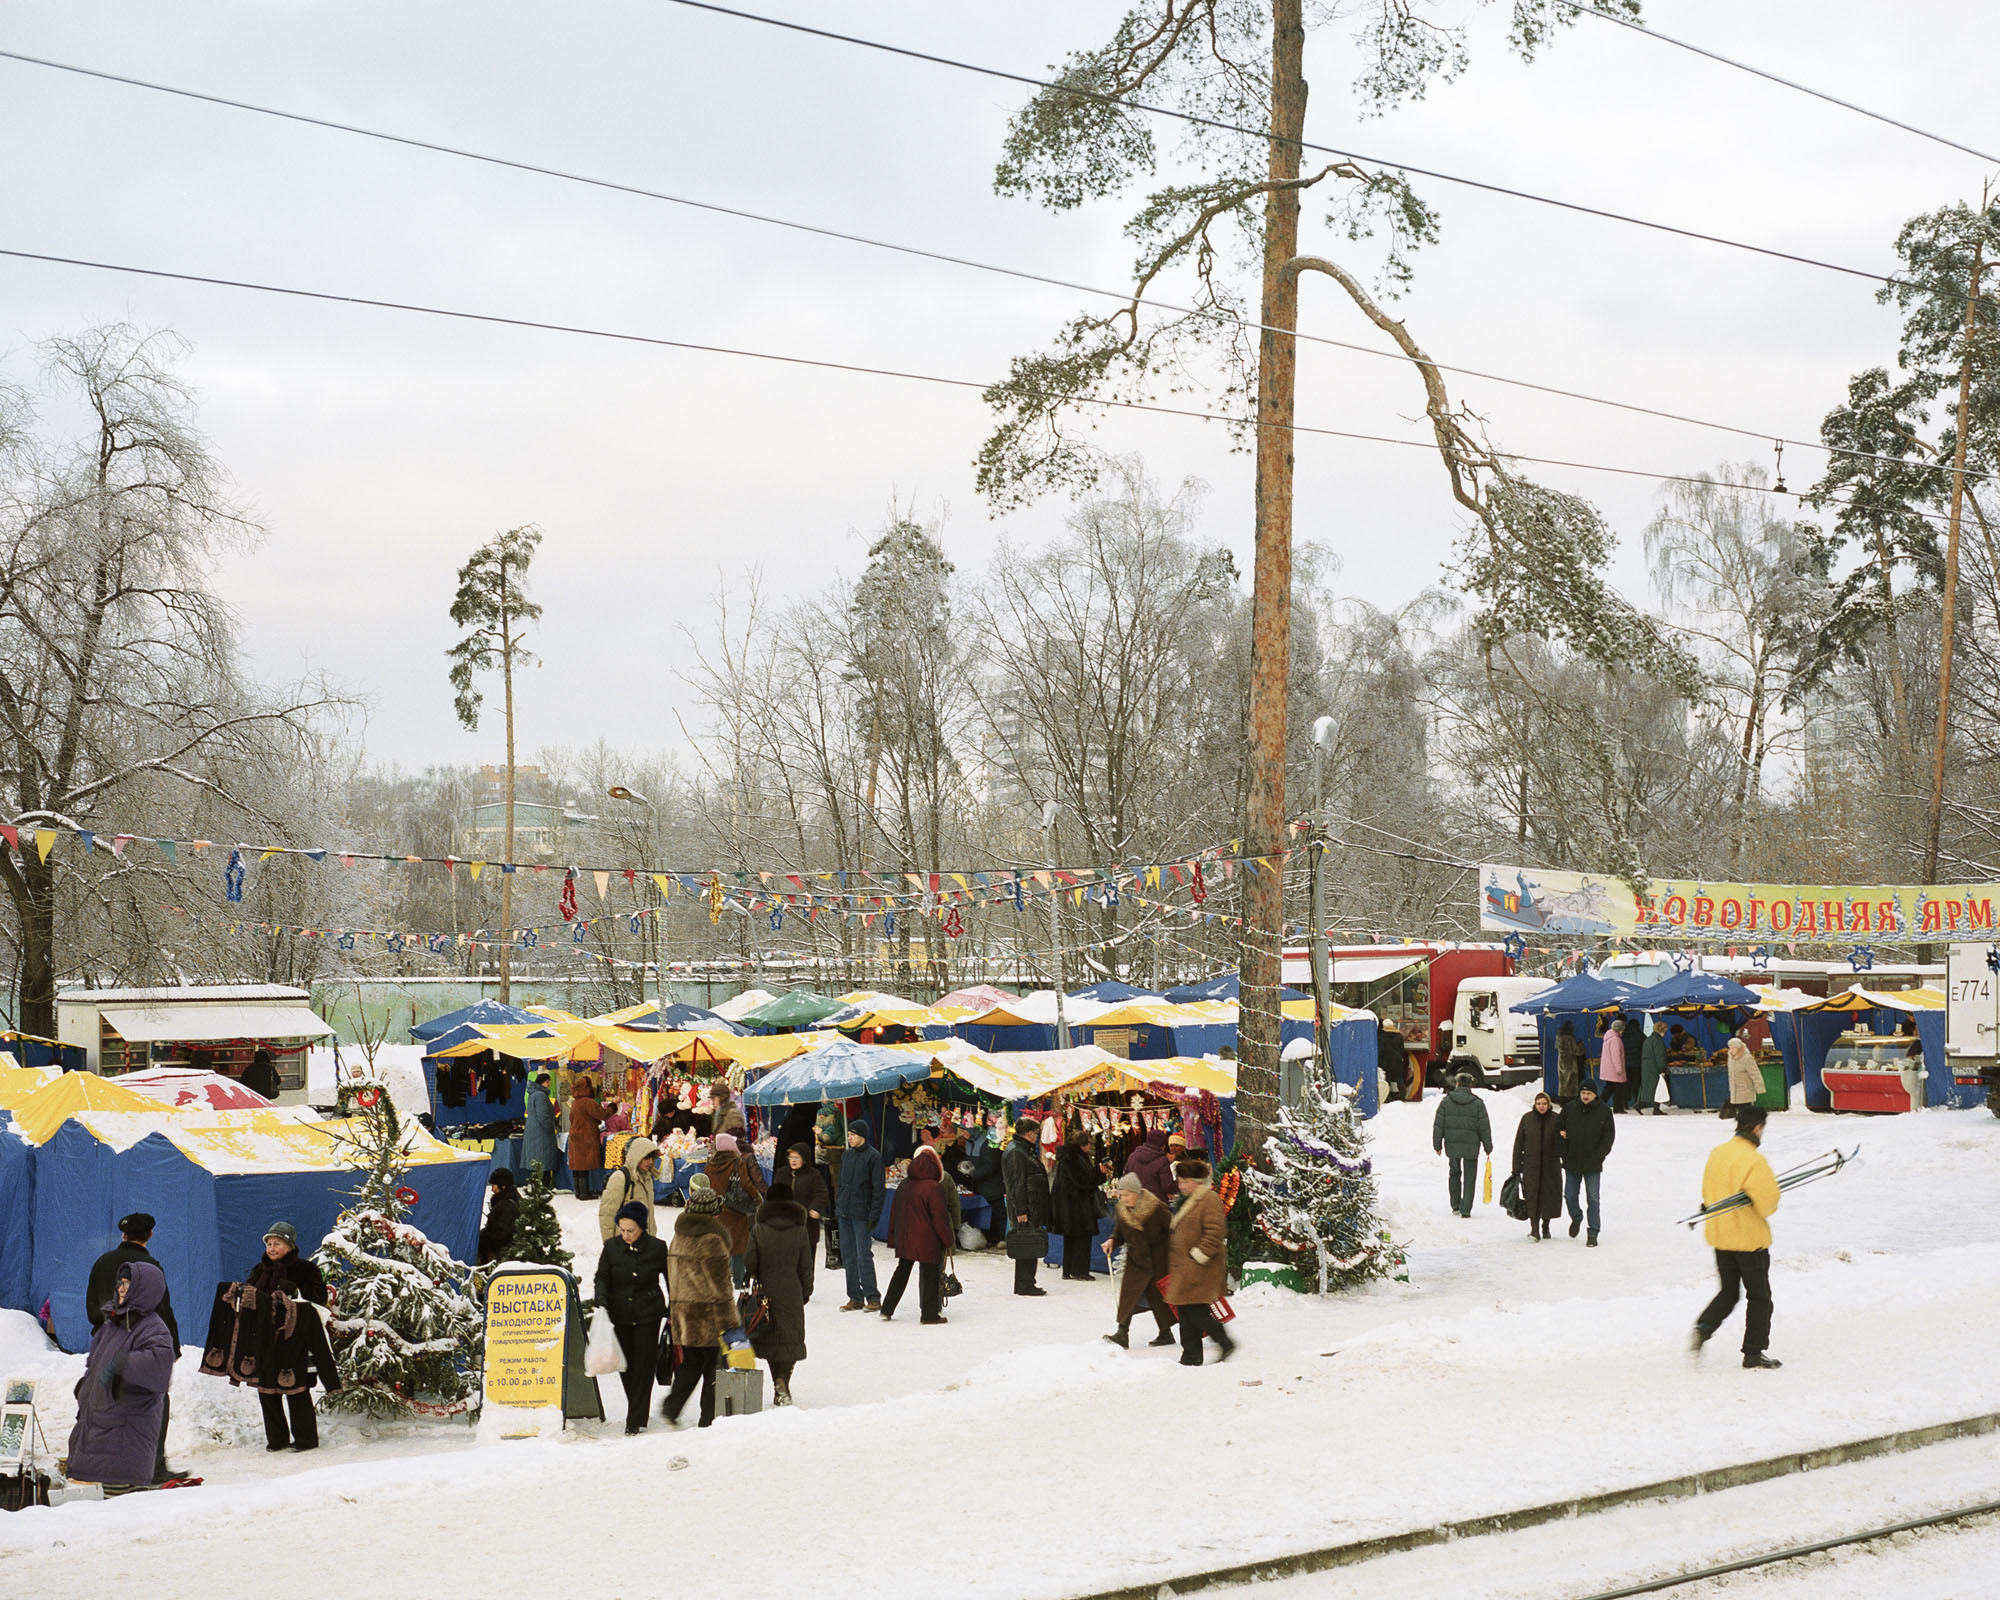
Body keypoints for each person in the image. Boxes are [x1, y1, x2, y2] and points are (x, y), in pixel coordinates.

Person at [85, 1212, 181, 1483]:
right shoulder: (150, 1266)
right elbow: (162, 1308)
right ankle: (153, 1468)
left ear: (123, 1235)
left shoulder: (102, 1262)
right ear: (149, 1235)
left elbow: (92, 1306)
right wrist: (171, 1346)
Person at [65, 1260, 178, 1489]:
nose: (121, 1288)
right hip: (98, 1433)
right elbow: (96, 1364)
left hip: (123, 1444)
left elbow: (159, 1365)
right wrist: (86, 1387)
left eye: (128, 1284)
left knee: (113, 1517)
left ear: (144, 1289)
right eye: (121, 1282)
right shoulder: (113, 1324)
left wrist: (123, 1365)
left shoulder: (153, 1327)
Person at [1692, 1105, 1783, 1369]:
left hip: (1721, 1236)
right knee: (1760, 1297)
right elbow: (1768, 1204)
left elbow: (1709, 1193)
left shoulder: (1718, 1153)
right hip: (1748, 1240)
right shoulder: (1754, 1160)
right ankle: (1753, 1352)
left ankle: (1703, 1327)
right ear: (1757, 1127)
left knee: (1729, 1292)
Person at [247, 1223, 335, 1451]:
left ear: (289, 1245)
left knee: (296, 1388)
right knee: (266, 1389)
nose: (271, 1248)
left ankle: (305, 1440)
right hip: (266, 1339)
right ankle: (276, 1440)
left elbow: (319, 1298)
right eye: (268, 1243)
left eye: (277, 1243)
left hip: (295, 1339)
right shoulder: (259, 1271)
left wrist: (295, 1289)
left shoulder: (306, 1269)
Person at [663, 1183, 739, 1428]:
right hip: (708, 1316)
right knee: (713, 1368)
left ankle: (672, 1406)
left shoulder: (679, 1236)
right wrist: (732, 1322)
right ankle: (709, 1418)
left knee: (690, 1363)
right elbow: (721, 1287)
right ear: (714, 1213)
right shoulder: (712, 1239)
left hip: (683, 1312)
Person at [595, 1201, 670, 1433]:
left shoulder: (657, 1248)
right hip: (620, 1313)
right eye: (622, 1229)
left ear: (642, 1228)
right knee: (626, 1364)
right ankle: (637, 1408)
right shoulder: (612, 1248)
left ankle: (634, 1420)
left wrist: (674, 1308)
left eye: (631, 1230)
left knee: (645, 1365)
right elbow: (602, 1277)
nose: (626, 1235)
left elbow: (670, 1278)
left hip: (648, 1312)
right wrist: (602, 1300)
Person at [744, 1181, 813, 1405]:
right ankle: (783, 1381)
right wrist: (805, 1292)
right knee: (791, 1340)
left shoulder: (759, 1229)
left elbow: (750, 1263)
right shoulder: (800, 1230)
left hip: (766, 1293)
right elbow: (806, 1266)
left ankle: (779, 1383)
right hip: (792, 1291)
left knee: (772, 1339)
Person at [1165, 1156, 1233, 1366]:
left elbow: (1215, 1231)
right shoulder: (1189, 1199)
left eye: (1185, 1181)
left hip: (1201, 1266)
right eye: (1180, 1181)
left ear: (1197, 1181)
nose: (1181, 1185)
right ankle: (1191, 1356)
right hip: (1187, 1266)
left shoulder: (1208, 1199)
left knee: (1196, 1311)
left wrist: (1198, 1254)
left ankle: (1224, 1342)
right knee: (1186, 1312)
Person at [1101, 1174, 1177, 1349]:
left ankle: (1166, 1333)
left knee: (1158, 1299)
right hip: (1136, 1261)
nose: (1122, 1198)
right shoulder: (1122, 1210)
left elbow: (1174, 1230)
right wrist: (1112, 1240)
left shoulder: (1157, 1208)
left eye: (1126, 1194)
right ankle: (1122, 1333)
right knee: (1129, 1296)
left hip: (1158, 1261)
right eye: (1120, 1194)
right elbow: (1119, 1233)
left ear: (1137, 1193)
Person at [881, 1147, 954, 1325]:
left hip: (906, 1238)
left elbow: (894, 1213)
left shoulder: (904, 1184)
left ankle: (887, 1308)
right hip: (926, 1239)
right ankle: (929, 1314)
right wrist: (948, 1239)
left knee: (901, 1272)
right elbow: (939, 1217)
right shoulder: (933, 1187)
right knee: (929, 1275)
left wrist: (893, 1237)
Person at [835, 1118, 885, 1312]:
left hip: (862, 1214)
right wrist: (838, 1205)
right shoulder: (846, 1156)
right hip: (845, 1212)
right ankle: (855, 1296)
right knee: (848, 1255)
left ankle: (873, 1296)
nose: (849, 1138)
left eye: (852, 1135)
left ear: (862, 1136)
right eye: (848, 1135)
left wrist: (874, 1215)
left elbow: (878, 1190)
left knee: (863, 1255)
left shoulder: (874, 1157)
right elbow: (840, 1183)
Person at [1557, 1082, 1616, 1246]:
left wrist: (1599, 1155)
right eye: (1583, 1093)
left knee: (1593, 1199)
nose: (1585, 1096)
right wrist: (1564, 1152)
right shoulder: (1569, 1108)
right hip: (1572, 1160)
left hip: (1592, 1162)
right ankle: (1576, 1217)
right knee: (1569, 1195)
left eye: (1589, 1093)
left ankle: (1593, 1232)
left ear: (1595, 1094)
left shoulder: (1604, 1111)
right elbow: (1558, 1129)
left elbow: (1609, 1135)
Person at [707, 1131, 767, 1288]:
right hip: (735, 1211)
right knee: (738, 1247)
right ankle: (738, 1281)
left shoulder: (710, 1165)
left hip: (716, 1211)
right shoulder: (736, 1163)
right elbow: (747, 1184)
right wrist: (756, 1199)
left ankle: (720, 1277)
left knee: (721, 1244)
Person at [1431, 1072, 1493, 1218]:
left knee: (1454, 1173)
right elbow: (1484, 1127)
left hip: (1452, 1145)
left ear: (1457, 1083)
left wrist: (1437, 1144)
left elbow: (1438, 1124)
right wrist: (1488, 1146)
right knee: (1470, 1177)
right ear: (1470, 1085)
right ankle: (1466, 1209)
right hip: (1471, 1146)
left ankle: (1455, 1205)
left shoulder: (1446, 1101)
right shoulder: (1478, 1103)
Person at [1002, 1115, 1052, 1298]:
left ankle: (1027, 1281)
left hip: (1032, 1203)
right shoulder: (1017, 1152)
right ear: (1030, 1133)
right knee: (1027, 1242)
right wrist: (1021, 1210)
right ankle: (1025, 1283)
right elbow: (1016, 1184)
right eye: (1036, 1133)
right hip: (1026, 1205)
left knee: (1029, 1241)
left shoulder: (1022, 1150)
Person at [1051, 1131, 1106, 1281]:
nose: (1091, 1146)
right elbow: (1083, 1181)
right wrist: (1098, 1173)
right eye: (1089, 1143)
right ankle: (1079, 1270)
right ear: (1082, 1145)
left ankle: (1069, 1269)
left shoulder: (1068, 1157)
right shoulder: (1074, 1158)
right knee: (1081, 1238)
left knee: (1071, 1238)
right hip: (1076, 1205)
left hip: (1069, 1204)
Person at [1510, 1091, 1563, 1241]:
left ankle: (1546, 1225)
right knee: (1532, 1196)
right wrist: (1516, 1168)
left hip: (1550, 1166)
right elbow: (1518, 1144)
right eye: (1539, 1104)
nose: (1541, 1107)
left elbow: (1563, 1142)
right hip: (1530, 1166)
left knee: (1548, 1196)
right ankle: (1534, 1229)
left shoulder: (1556, 1119)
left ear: (1549, 1104)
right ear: (1534, 1104)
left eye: (1544, 1104)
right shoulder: (1527, 1119)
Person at [597, 1136, 665, 1242]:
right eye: (646, 1158)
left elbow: (650, 1215)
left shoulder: (647, 1178)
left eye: (652, 1158)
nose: (651, 1162)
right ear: (637, 1156)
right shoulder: (620, 1178)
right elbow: (607, 1215)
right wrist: (610, 1246)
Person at [780, 1142, 831, 1255]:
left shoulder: (813, 1174)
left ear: (804, 1159)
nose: (793, 1160)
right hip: (786, 1226)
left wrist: (815, 1208)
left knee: (806, 1265)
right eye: (791, 1157)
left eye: (796, 1157)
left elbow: (821, 1194)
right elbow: (775, 1195)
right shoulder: (782, 1173)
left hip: (807, 1226)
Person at [566, 1076, 607, 1200]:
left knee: (577, 1166)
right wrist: (614, 1106)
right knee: (583, 1165)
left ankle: (579, 1191)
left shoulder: (575, 1103)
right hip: (586, 1136)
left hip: (575, 1135)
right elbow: (602, 1114)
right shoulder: (588, 1102)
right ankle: (584, 1193)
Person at [478, 1169, 520, 1265]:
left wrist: (482, 1237)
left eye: (494, 1185)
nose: (492, 1189)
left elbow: (503, 1233)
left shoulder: (507, 1205)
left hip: (503, 1249)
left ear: (503, 1186)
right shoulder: (507, 1200)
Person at [1124, 1127, 1175, 1205]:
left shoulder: (1132, 1157)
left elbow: (1125, 1180)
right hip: (1156, 1204)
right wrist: (1180, 1182)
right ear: (1163, 1145)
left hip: (1135, 1203)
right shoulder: (1162, 1160)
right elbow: (1167, 1186)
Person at [523, 1073, 558, 1177]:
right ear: (543, 1082)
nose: (549, 1084)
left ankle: (538, 1187)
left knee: (537, 1163)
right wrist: (551, 1127)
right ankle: (543, 1188)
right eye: (548, 1081)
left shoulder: (533, 1094)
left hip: (535, 1133)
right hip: (541, 1134)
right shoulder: (540, 1096)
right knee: (544, 1162)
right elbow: (543, 1116)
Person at [1722, 1031, 1762, 1121]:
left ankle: (1749, 1124)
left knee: (1746, 1109)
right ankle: (1745, 1124)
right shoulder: (1730, 1058)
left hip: (1745, 1089)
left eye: (1733, 1048)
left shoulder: (1746, 1058)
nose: (1731, 1050)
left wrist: (1759, 1087)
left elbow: (1755, 1073)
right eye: (1730, 1048)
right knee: (1740, 1110)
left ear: (1739, 1048)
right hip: (1735, 1089)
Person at [1599, 1017, 1630, 1112]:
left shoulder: (1609, 1038)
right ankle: (1617, 1108)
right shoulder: (1615, 1040)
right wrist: (1619, 1069)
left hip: (1609, 1069)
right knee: (1617, 1090)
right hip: (1614, 1070)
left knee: (1609, 1088)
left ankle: (1599, 1105)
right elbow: (1616, 1056)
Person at [1638, 1021, 1668, 1116]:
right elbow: (1660, 1056)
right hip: (1655, 1067)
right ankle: (1656, 1108)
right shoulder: (1658, 1041)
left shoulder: (1648, 1039)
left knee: (1647, 1087)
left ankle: (1639, 1104)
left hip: (1646, 1067)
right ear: (1662, 1030)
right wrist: (1662, 1068)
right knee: (1657, 1088)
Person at [1377, 1019, 1411, 1103]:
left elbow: (1380, 1050)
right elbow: (1401, 1049)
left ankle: (1388, 1097)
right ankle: (1402, 1094)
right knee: (1398, 1078)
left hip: (1385, 1062)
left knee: (1387, 1079)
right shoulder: (1398, 1036)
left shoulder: (1381, 1037)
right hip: (1397, 1061)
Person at [1555, 1020, 1585, 1102]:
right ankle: (1570, 1100)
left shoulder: (1559, 1037)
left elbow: (1556, 1047)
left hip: (1561, 1060)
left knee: (1562, 1081)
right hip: (1570, 1061)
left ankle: (1562, 1099)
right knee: (1570, 1081)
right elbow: (1577, 1051)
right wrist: (1581, 1045)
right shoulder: (1570, 1038)